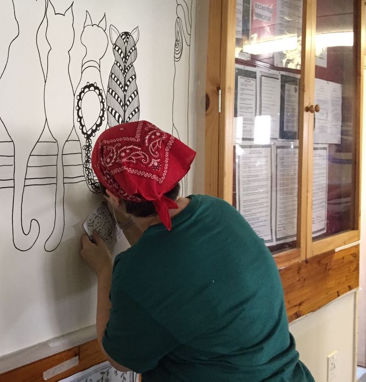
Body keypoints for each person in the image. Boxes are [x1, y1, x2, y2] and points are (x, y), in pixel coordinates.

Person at [79, 120, 313, 381]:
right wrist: (125, 221)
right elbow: (167, 262)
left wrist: (104, 271)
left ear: (113, 197)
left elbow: (119, 360)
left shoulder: (138, 270)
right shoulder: (218, 211)